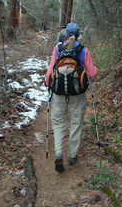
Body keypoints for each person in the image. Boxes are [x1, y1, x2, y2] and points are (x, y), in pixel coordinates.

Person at [45, 23, 98, 173]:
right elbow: (92, 73)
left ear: (66, 34)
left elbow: (50, 72)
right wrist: (95, 70)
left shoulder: (57, 49)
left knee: (58, 123)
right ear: (78, 34)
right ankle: (73, 156)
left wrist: (48, 83)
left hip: (58, 93)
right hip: (78, 94)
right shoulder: (84, 51)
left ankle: (59, 153)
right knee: (76, 123)